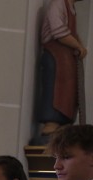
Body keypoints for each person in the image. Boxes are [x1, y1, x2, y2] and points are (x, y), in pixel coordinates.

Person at [35, 0, 87, 140]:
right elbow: (58, 31)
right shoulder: (58, 4)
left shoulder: (71, 8)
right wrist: (78, 46)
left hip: (66, 58)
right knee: (55, 89)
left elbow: (72, 34)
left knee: (68, 91)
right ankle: (51, 123)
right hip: (56, 57)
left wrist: (79, 46)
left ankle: (63, 123)